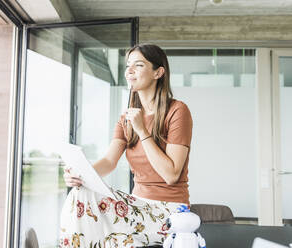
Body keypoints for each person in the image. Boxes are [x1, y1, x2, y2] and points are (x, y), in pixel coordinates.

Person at [59, 44, 193, 248]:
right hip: (137, 207)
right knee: (82, 193)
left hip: (170, 211)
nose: (129, 70)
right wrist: (81, 175)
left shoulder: (177, 111)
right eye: (128, 65)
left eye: (138, 65)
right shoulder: (126, 118)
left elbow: (171, 175)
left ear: (158, 72)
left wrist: (142, 131)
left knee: (91, 211)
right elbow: (109, 161)